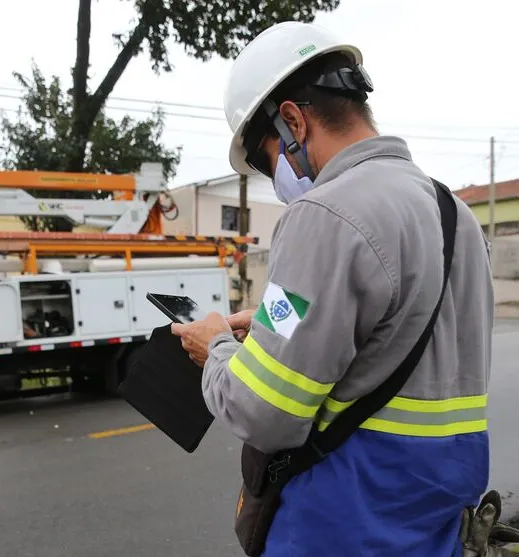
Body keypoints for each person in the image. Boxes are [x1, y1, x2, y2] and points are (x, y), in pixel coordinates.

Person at [171, 21, 494, 556]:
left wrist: (215, 348)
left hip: (343, 523)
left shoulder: (324, 212)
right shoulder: (455, 215)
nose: (271, 173)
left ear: (293, 120)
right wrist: (273, 323)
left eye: (262, 157)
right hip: (434, 525)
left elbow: (263, 412)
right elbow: (391, 337)